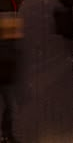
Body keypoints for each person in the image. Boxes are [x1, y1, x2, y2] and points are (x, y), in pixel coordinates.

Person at [0, 14, 23, 143]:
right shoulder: (5, 48)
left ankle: (6, 135)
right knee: (11, 108)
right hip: (5, 83)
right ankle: (6, 136)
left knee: (10, 108)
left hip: (7, 82)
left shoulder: (8, 44)